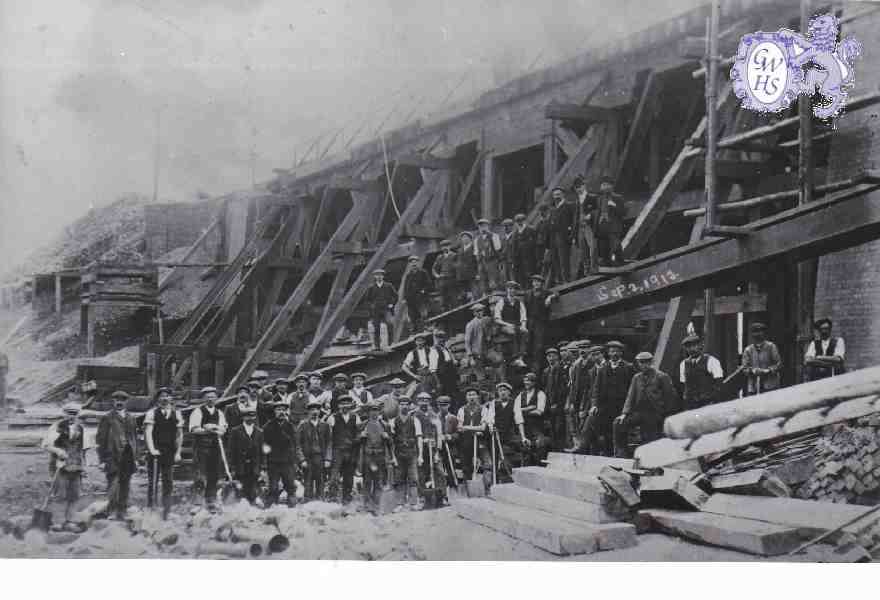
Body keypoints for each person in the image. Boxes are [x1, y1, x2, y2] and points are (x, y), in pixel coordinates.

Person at [613, 352, 679, 458]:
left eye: (646, 362)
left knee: (648, 437)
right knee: (618, 423)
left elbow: (670, 396)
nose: (643, 365)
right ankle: (621, 452)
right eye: (641, 363)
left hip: (654, 413)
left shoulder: (662, 376)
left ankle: (646, 457)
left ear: (651, 362)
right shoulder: (636, 378)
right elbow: (631, 396)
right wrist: (624, 413)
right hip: (638, 412)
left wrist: (664, 414)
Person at [580, 341, 636, 455]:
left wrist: (628, 408)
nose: (614, 353)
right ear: (608, 353)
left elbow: (632, 389)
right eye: (612, 351)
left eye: (617, 351)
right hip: (605, 405)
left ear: (621, 352)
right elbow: (596, 389)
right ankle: (598, 451)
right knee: (601, 428)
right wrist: (594, 405)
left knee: (619, 430)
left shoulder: (628, 367)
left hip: (621, 405)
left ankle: (620, 454)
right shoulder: (603, 368)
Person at [41, 402, 86, 529]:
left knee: (74, 494)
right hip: (60, 465)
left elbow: (81, 448)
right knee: (60, 494)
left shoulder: (80, 428)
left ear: (77, 415)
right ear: (64, 414)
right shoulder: (57, 427)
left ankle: (70, 520)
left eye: (74, 414)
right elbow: (46, 445)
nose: (71, 417)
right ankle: (58, 521)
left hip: (76, 465)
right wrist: (58, 451)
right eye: (69, 414)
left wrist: (83, 466)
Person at [96, 390, 139, 520]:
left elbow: (134, 438)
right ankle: (111, 510)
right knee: (113, 483)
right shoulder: (107, 418)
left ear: (126, 402)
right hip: (112, 455)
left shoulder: (131, 418)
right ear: (112, 401)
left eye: (123, 400)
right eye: (117, 400)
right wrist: (102, 459)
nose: (119, 402)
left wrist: (136, 458)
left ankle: (122, 511)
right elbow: (100, 439)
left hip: (128, 455)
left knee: (125, 483)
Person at [143, 387, 183, 518]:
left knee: (168, 481)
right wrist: (152, 449)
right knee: (152, 481)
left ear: (171, 399)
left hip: (169, 451)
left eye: (167, 396)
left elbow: (179, 435)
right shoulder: (151, 413)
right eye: (161, 396)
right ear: (158, 399)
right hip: (155, 452)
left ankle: (167, 510)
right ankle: (151, 507)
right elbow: (148, 432)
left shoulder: (177, 414)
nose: (164, 398)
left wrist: (178, 452)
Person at [188, 386, 228, 510]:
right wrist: (207, 429)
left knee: (214, 474)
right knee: (200, 474)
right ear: (204, 398)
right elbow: (194, 429)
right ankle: (197, 502)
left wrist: (216, 429)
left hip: (216, 447)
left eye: (213, 397)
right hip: (201, 447)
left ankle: (210, 500)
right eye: (208, 397)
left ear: (216, 398)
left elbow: (222, 430)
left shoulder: (219, 413)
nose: (211, 399)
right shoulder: (198, 411)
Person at [484, 382, 527, 482]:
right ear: (498, 393)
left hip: (509, 434)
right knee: (494, 456)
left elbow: (519, 420)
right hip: (496, 434)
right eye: (500, 391)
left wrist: (523, 436)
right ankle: (495, 480)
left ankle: (512, 477)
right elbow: (490, 418)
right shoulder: (494, 404)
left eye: (505, 390)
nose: (502, 392)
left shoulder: (514, 403)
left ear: (509, 392)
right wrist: (491, 427)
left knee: (514, 451)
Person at [326, 396, 361, 504]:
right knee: (334, 475)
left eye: (347, 403)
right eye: (342, 403)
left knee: (349, 475)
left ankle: (347, 497)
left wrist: (355, 443)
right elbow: (329, 437)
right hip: (337, 450)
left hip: (350, 450)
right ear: (338, 405)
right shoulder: (333, 417)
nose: (345, 406)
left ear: (351, 405)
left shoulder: (356, 417)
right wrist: (329, 455)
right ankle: (332, 497)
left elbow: (358, 433)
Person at [359, 400, 393, 513]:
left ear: (379, 412)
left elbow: (391, 443)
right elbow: (356, 442)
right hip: (368, 456)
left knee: (379, 481)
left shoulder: (385, 425)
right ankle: (366, 504)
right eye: (372, 410)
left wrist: (387, 437)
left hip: (380, 456)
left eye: (376, 410)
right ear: (368, 412)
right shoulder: (363, 425)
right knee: (367, 481)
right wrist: (361, 436)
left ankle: (377, 504)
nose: (374, 413)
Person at [389, 396, 423, 506]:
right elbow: (391, 441)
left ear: (409, 406)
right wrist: (392, 457)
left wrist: (420, 456)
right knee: (399, 478)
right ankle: (400, 503)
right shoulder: (393, 421)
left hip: (412, 452)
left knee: (413, 477)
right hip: (398, 453)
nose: (404, 406)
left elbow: (419, 438)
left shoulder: (415, 420)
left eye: (406, 404)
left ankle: (413, 502)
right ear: (399, 406)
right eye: (402, 404)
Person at [263, 402, 298, 507]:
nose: (281, 412)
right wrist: (265, 463)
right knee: (273, 487)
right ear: (274, 412)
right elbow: (264, 446)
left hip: (287, 462)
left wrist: (294, 462)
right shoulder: (267, 427)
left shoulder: (291, 427)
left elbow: (294, 445)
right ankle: (272, 507)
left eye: (283, 410)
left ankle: (292, 507)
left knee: (290, 486)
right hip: (273, 462)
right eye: (278, 410)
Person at [226, 405, 264, 504]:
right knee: (240, 487)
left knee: (253, 486)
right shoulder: (235, 431)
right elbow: (231, 450)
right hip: (240, 465)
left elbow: (262, 451)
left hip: (254, 465)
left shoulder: (259, 432)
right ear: (243, 417)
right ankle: (240, 505)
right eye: (247, 416)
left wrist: (263, 467)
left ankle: (252, 505)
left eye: (252, 416)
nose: (250, 418)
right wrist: (232, 467)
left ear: (255, 417)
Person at [296, 399, 331, 502]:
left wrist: (328, 459)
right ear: (308, 412)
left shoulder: (325, 425)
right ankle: (308, 501)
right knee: (308, 481)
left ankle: (320, 501)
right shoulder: (303, 425)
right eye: (312, 409)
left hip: (320, 457)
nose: (314, 412)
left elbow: (329, 443)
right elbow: (297, 444)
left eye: (317, 409)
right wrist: (302, 459)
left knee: (321, 480)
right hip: (308, 458)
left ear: (320, 411)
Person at [456, 386, 492, 486]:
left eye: (474, 394)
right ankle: (468, 488)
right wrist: (475, 428)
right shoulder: (462, 410)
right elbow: (459, 427)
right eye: (469, 395)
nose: (471, 397)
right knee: (466, 467)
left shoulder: (484, 409)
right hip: (466, 442)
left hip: (480, 441)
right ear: (466, 397)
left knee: (487, 464)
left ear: (477, 397)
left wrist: (467, 428)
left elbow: (483, 427)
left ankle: (487, 487)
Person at [414, 392, 446, 503]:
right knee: (421, 473)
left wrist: (438, 450)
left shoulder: (434, 415)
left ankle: (442, 496)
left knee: (439, 472)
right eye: (421, 400)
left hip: (433, 448)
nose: (424, 402)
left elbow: (439, 433)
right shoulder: (414, 415)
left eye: (426, 400)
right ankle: (423, 498)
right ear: (418, 402)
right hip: (420, 449)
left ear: (429, 402)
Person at [589, 175, 626, 267]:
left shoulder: (618, 198)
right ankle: (607, 264)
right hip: (602, 227)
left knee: (616, 246)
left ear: (611, 186)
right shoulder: (600, 199)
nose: (604, 187)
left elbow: (623, 213)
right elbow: (597, 211)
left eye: (606, 185)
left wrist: (614, 205)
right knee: (603, 248)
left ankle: (621, 263)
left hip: (613, 227)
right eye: (603, 185)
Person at [523, 274, 557, 370]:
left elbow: (557, 293)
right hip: (530, 321)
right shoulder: (528, 293)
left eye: (538, 282)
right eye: (534, 282)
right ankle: (529, 365)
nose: (536, 284)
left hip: (540, 322)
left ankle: (537, 365)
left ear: (541, 284)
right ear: (532, 283)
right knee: (527, 343)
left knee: (539, 345)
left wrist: (550, 297)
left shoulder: (545, 292)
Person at [680, 334, 724, 409]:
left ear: (701, 346)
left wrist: (713, 401)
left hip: (707, 403)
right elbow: (684, 384)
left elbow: (719, 385)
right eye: (688, 347)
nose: (691, 349)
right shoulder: (683, 364)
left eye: (694, 346)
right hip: (691, 404)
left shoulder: (712, 361)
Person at [565, 341, 594, 449]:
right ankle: (578, 445)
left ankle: (583, 447)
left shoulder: (592, 363)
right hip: (577, 398)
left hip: (588, 399)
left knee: (585, 424)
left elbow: (591, 387)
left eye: (585, 348)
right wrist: (572, 402)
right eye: (581, 348)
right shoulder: (577, 365)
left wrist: (586, 406)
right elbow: (574, 385)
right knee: (574, 419)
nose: (582, 350)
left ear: (590, 349)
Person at [493, 281, 528, 368]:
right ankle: (515, 357)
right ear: (507, 290)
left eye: (513, 289)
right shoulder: (501, 302)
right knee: (512, 331)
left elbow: (523, 317)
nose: (512, 290)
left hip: (516, 324)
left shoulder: (519, 302)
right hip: (504, 325)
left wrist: (523, 326)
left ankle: (520, 357)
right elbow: (497, 319)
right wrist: (507, 324)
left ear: (515, 291)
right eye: (510, 288)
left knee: (525, 332)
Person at [742, 322, 782, 395]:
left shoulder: (771, 347)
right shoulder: (748, 350)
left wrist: (768, 370)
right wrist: (752, 371)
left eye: (760, 331)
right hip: (754, 386)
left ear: (764, 333)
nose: (757, 334)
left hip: (770, 385)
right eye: (755, 332)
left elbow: (778, 364)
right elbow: (744, 368)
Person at [363, 268, 397, 351]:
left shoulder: (388, 286)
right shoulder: (371, 287)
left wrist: (392, 304)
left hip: (386, 309)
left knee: (390, 324)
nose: (379, 277)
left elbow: (395, 296)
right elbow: (366, 300)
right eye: (377, 275)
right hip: (376, 310)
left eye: (380, 275)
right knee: (376, 327)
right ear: (374, 277)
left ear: (383, 276)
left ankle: (391, 343)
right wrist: (371, 306)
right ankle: (377, 346)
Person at [517, 372, 547, 465]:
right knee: (525, 451)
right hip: (523, 427)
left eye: (529, 381)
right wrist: (529, 408)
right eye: (525, 381)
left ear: (534, 382)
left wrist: (522, 411)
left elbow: (539, 411)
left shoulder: (540, 394)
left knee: (539, 447)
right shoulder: (521, 395)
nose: (526, 383)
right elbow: (515, 410)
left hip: (536, 427)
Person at [542, 347, 568, 450]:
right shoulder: (546, 371)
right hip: (549, 403)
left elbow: (562, 388)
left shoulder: (561, 369)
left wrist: (557, 403)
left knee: (559, 427)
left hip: (559, 403)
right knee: (551, 427)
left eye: (553, 356)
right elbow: (545, 387)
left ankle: (560, 449)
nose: (551, 358)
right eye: (549, 356)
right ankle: (554, 449)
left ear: (557, 357)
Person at [549, 186, 576, 284]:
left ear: (563, 195)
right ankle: (559, 281)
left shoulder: (569, 205)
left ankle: (566, 281)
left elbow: (574, 221)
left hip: (564, 236)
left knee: (564, 259)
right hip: (554, 237)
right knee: (556, 260)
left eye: (558, 194)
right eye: (555, 195)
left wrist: (572, 235)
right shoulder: (553, 209)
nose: (556, 197)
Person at [402, 255, 433, 332]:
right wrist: (404, 298)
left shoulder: (423, 273)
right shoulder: (408, 276)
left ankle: (427, 327)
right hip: (411, 300)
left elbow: (429, 284)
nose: (413, 264)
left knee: (424, 314)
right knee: (413, 316)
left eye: (415, 262)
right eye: (412, 263)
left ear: (418, 263)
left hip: (421, 298)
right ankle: (415, 331)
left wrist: (424, 290)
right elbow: (406, 288)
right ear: (410, 265)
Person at [429, 330, 459, 405]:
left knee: (453, 395)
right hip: (442, 377)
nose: (442, 340)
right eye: (439, 338)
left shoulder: (446, 349)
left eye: (443, 338)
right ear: (436, 339)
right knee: (445, 397)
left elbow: (451, 360)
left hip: (451, 375)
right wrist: (438, 383)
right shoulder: (434, 350)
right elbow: (433, 369)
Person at [573, 175, 596, 276]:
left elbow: (598, 209)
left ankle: (594, 268)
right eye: (576, 187)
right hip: (580, 228)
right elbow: (574, 218)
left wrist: (590, 215)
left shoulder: (592, 197)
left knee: (592, 247)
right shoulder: (577, 201)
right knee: (583, 249)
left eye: (579, 186)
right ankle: (587, 272)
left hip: (589, 226)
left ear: (584, 186)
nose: (578, 189)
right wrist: (574, 234)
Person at [475, 218, 502, 296]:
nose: (482, 228)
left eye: (484, 226)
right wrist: (479, 265)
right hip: (482, 262)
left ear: (488, 226)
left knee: (493, 282)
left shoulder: (494, 236)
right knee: (483, 282)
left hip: (492, 261)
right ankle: (485, 297)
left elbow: (498, 248)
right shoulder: (477, 239)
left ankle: (495, 296)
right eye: (480, 226)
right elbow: (477, 253)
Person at [436, 395, 459, 487]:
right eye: (440, 405)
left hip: (450, 449)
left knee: (451, 469)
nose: (442, 407)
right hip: (438, 449)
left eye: (445, 405)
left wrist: (450, 437)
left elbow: (458, 433)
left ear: (449, 405)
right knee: (439, 470)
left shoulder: (453, 418)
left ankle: (453, 487)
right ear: (438, 406)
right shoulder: (434, 418)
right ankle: (441, 489)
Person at [464, 303, 491, 372]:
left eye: (481, 310)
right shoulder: (471, 324)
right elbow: (467, 342)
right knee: (481, 376)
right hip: (476, 354)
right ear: (474, 313)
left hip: (486, 352)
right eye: (477, 311)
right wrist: (471, 358)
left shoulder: (486, 321)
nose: (479, 313)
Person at [432, 241, 458, 313]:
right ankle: (446, 313)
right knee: (443, 299)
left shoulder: (454, 255)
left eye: (446, 246)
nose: (445, 248)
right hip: (442, 281)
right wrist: (437, 275)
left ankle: (456, 313)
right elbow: (434, 268)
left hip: (452, 279)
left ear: (450, 246)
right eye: (443, 246)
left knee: (453, 298)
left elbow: (458, 268)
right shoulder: (439, 257)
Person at [513, 213, 536, 287]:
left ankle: (530, 288)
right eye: (518, 221)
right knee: (521, 274)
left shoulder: (530, 230)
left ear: (524, 221)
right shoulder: (515, 233)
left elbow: (535, 243)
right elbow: (514, 246)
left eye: (521, 221)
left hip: (529, 256)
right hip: (519, 257)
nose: (519, 223)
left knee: (530, 273)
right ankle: (524, 289)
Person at [456, 231, 479, 304]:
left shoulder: (474, 247)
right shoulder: (459, 250)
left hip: (472, 274)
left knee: (475, 294)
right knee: (465, 296)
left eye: (466, 237)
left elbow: (478, 261)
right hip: (462, 276)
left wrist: (478, 273)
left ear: (470, 239)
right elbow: (458, 262)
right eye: (463, 238)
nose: (464, 239)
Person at [534, 203, 553, 282]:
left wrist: (548, 249)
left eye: (543, 211)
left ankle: (547, 282)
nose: (541, 213)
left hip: (548, 247)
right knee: (541, 265)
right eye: (540, 212)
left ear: (547, 212)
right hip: (540, 247)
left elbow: (550, 236)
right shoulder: (539, 223)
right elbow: (536, 234)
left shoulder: (550, 222)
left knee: (547, 265)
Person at [500, 218, 517, 284]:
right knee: (505, 277)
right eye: (504, 226)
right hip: (504, 261)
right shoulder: (503, 238)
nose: (505, 228)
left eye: (507, 226)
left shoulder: (515, 236)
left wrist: (514, 260)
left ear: (511, 226)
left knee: (513, 277)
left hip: (512, 260)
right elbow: (501, 249)